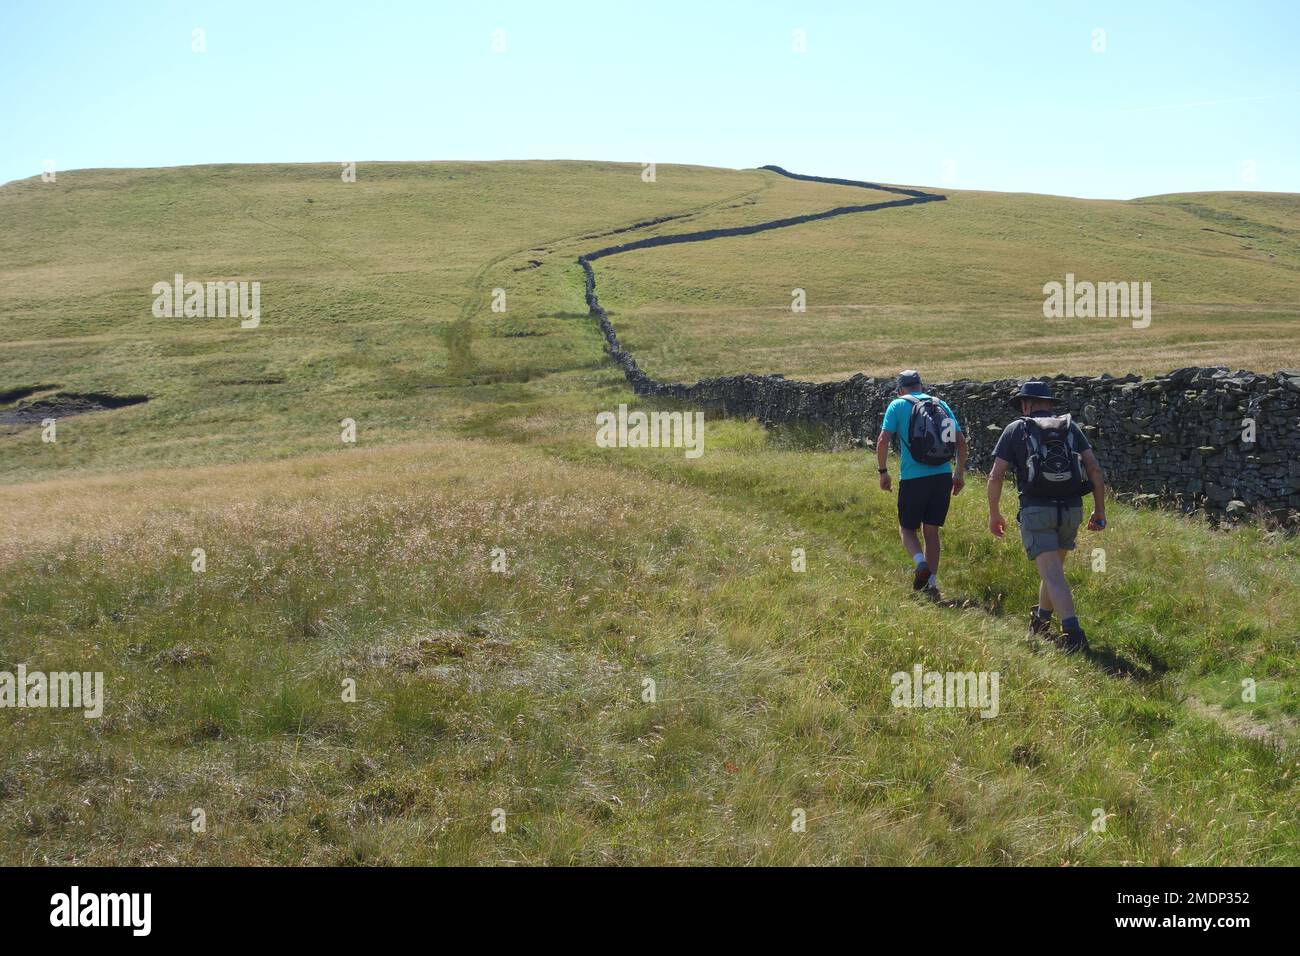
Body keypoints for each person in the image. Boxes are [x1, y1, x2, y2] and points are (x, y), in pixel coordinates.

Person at [986, 381, 1107, 653]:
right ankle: (1040, 620)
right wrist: (1099, 510)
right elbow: (1095, 471)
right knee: (1054, 571)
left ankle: (1074, 635)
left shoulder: (1016, 429)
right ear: (1049, 404)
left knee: (1052, 573)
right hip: (1071, 509)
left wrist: (994, 514)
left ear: (1026, 404)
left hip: (1036, 509)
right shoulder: (1070, 428)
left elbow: (995, 476)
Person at [877, 369, 967, 601]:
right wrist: (958, 474)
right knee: (931, 531)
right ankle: (932, 584)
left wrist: (883, 472)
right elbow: (961, 442)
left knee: (907, 528)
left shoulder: (897, 406)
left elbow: (883, 440)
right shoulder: (941, 404)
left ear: (900, 389)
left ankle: (920, 563)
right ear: (920, 386)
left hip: (912, 478)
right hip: (942, 476)